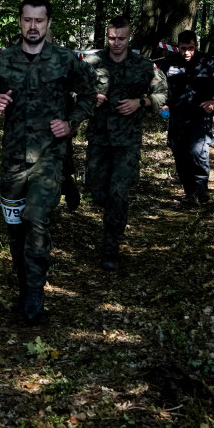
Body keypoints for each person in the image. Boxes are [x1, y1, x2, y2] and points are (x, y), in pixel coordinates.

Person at [0, 0, 96, 323]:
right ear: (19, 21)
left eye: (39, 21)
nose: (33, 26)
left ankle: (35, 299)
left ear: (48, 23)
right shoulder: (2, 62)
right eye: (27, 20)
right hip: (13, 158)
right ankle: (24, 286)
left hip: (50, 156)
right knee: (14, 228)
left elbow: (89, 95)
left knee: (35, 218)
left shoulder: (66, 60)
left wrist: (71, 123)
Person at [83, 16, 167, 271]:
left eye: (121, 38)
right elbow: (71, 90)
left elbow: (162, 95)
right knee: (98, 194)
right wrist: (89, 97)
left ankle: (111, 249)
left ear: (129, 38)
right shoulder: (91, 63)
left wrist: (140, 103)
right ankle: (110, 220)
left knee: (118, 193)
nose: (116, 43)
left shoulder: (143, 65)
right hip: (98, 139)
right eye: (112, 38)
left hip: (127, 142)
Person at [157, 30, 214, 205]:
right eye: (183, 48)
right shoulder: (167, 63)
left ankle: (202, 189)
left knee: (198, 152)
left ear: (196, 46)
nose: (187, 52)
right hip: (177, 117)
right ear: (178, 47)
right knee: (180, 155)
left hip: (200, 117)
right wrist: (161, 104)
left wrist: (213, 101)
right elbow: (156, 86)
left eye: (191, 48)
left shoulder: (209, 62)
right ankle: (189, 193)